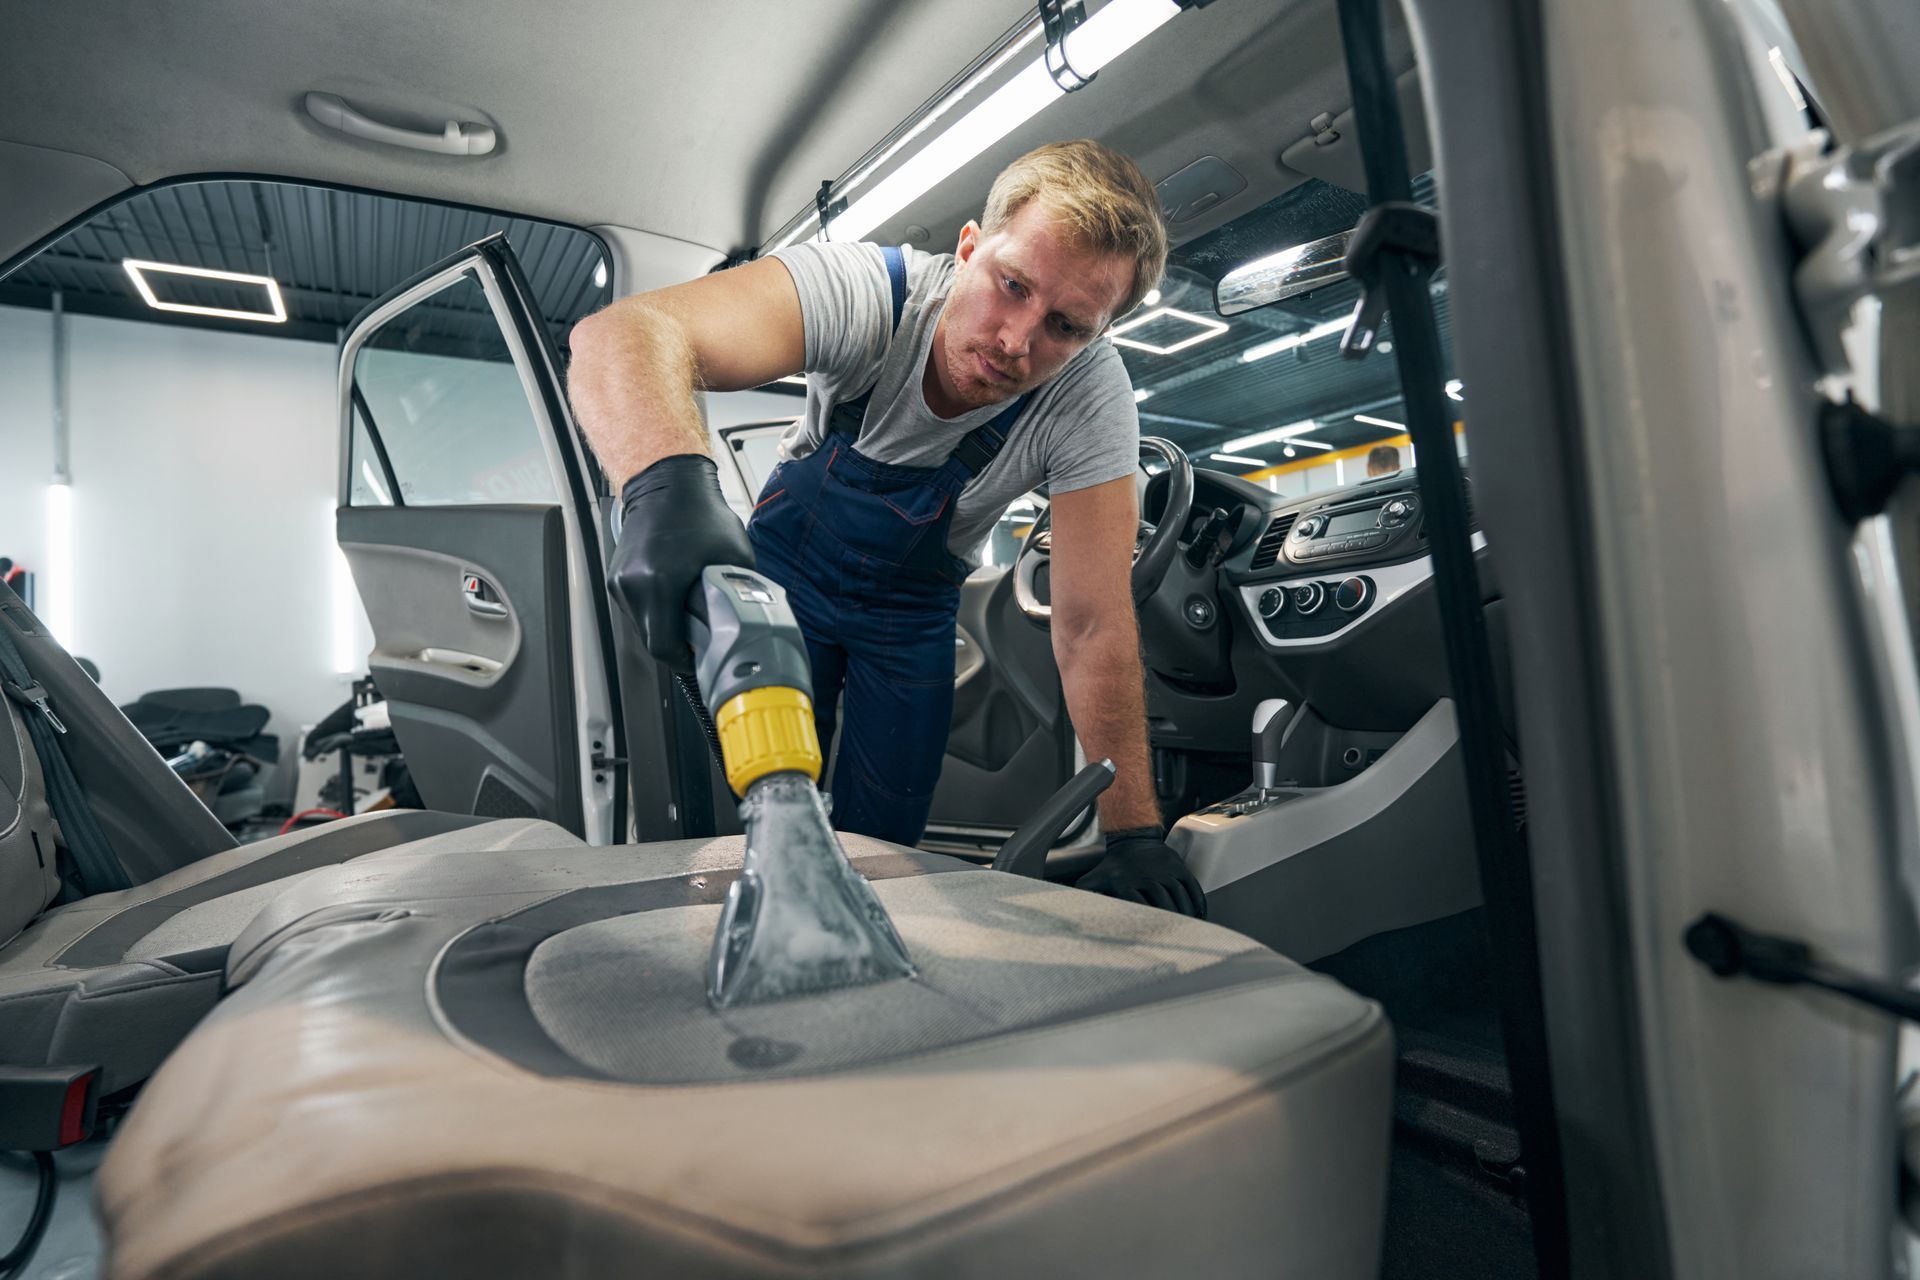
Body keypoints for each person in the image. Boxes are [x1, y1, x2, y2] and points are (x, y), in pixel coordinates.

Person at [567, 140, 1204, 918]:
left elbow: (1093, 619)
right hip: (784, 577)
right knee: (734, 810)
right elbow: (622, 336)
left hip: (910, 618)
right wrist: (665, 484)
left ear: (1096, 337)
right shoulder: (871, 291)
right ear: (969, 248)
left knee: (889, 843)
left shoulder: (1090, 399)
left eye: (1066, 326)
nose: (1016, 341)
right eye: (1011, 286)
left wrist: (1132, 832)